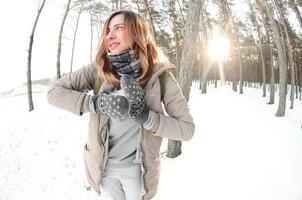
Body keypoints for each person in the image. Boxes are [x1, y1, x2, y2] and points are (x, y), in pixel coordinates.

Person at [47, 10, 194, 200]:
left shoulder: (161, 77)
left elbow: (187, 129)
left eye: (118, 28)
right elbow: (53, 92)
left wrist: (147, 117)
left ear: (137, 33)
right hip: (102, 170)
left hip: (139, 175)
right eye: (107, 30)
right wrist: (96, 103)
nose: (109, 35)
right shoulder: (98, 70)